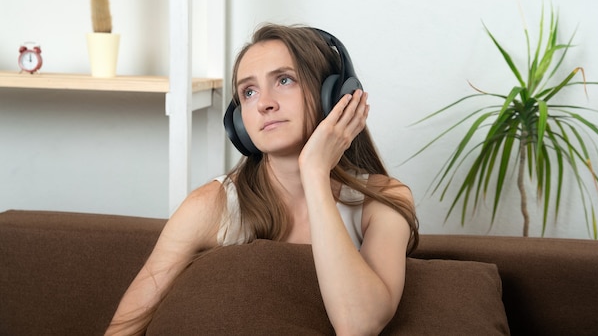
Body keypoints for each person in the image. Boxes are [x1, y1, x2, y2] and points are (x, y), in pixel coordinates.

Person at [105, 24, 419, 335]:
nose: (264, 103)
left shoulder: (382, 202)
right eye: (249, 91)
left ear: (336, 96)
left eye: (284, 80)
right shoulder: (210, 206)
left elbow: (358, 324)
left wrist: (314, 172)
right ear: (239, 122)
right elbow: (123, 329)